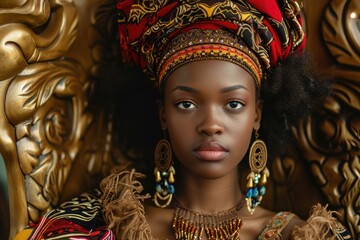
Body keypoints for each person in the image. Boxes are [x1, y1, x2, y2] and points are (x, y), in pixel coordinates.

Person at [15, 0, 353, 239]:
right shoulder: (105, 228)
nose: (210, 124)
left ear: (258, 115)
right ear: (162, 114)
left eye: (233, 104)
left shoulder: (301, 236)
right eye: (187, 104)